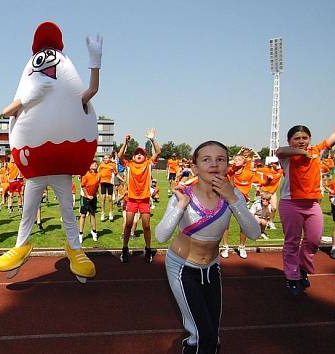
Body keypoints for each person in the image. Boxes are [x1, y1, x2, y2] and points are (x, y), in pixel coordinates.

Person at [0, 22, 102, 282]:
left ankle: (75, 250)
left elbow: (91, 92)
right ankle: (21, 246)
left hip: (60, 164)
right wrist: (28, 97)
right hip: (37, 166)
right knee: (28, 210)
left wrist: (94, 62)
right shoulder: (30, 79)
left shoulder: (68, 84)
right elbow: (5, 112)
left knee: (67, 209)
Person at [156, 141, 261, 353]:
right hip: (182, 268)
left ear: (228, 165)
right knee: (205, 335)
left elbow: (254, 233)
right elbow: (161, 236)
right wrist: (181, 206)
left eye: (220, 159)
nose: (214, 164)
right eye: (206, 159)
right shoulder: (183, 195)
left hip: (212, 269)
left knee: (212, 332)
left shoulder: (234, 195)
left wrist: (232, 199)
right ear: (195, 168)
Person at [276, 96, 335, 296]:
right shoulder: (287, 157)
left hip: (312, 205)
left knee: (313, 240)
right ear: (290, 141)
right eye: (296, 138)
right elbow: (280, 150)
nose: (301, 141)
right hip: (291, 204)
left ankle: (303, 269)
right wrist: (302, 153)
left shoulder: (318, 151)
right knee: (292, 242)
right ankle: (292, 278)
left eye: (304, 138)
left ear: (310, 139)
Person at [117, 130, 161, 263]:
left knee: (146, 226)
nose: (139, 155)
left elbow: (158, 152)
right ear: (133, 156)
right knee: (128, 224)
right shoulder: (129, 165)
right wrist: (125, 143)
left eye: (141, 153)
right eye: (136, 153)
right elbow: (120, 156)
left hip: (144, 200)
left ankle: (148, 249)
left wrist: (152, 139)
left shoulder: (148, 164)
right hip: (131, 200)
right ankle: (124, 249)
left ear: (145, 156)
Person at [79, 160, 101, 243]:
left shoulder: (98, 174)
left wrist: (95, 194)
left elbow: (97, 185)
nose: (95, 164)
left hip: (93, 198)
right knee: (83, 215)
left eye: (96, 163)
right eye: (93, 163)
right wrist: (87, 195)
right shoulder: (85, 174)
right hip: (85, 197)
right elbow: (83, 186)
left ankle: (94, 232)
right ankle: (80, 234)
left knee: (92, 214)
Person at [97, 154, 116, 221]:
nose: (105, 159)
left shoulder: (113, 165)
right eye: (104, 158)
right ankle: (103, 213)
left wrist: (121, 179)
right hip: (103, 183)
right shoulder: (101, 165)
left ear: (109, 159)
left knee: (110, 198)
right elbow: (98, 173)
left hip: (110, 183)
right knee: (103, 198)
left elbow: (116, 173)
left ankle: (111, 213)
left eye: (107, 158)